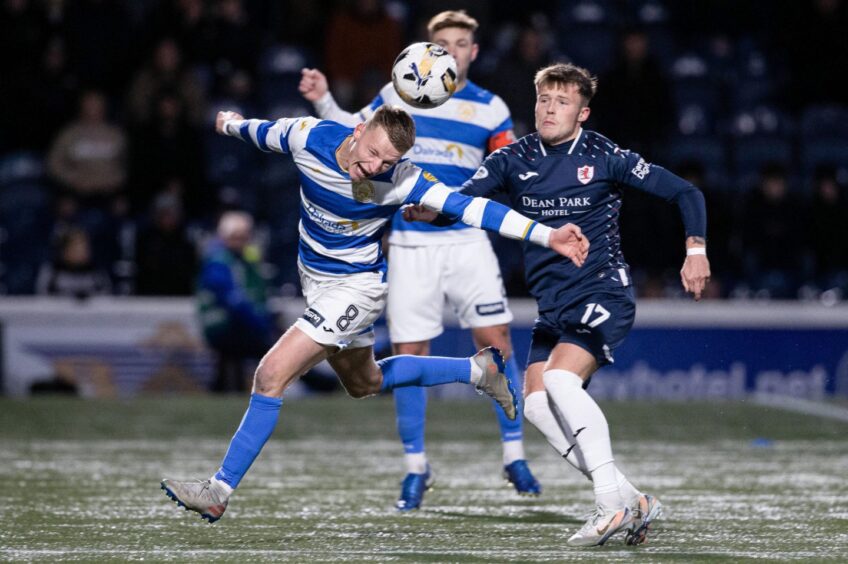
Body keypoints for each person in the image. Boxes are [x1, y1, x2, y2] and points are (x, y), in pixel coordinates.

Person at [160, 104, 590, 523]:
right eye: (372, 153)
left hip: (357, 288)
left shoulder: (403, 180)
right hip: (317, 284)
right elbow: (263, 131)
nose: (375, 167)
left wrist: (548, 235)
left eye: (388, 161)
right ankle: (477, 372)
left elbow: (478, 210)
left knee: (271, 374)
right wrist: (232, 124)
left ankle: (218, 490)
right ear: (358, 130)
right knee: (365, 382)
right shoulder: (309, 136)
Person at [409, 63, 710, 546]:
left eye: (562, 102)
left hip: (603, 293)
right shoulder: (513, 157)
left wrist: (695, 250)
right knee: (535, 406)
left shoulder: (604, 155)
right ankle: (634, 500)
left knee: (559, 380)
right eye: (544, 100)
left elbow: (684, 191)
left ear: (583, 112)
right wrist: (433, 212)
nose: (550, 109)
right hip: (554, 308)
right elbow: (467, 203)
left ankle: (609, 506)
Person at [298, 10, 541, 511]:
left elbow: (505, 172)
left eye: (461, 43)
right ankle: (415, 467)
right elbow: (353, 135)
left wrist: (458, 204)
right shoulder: (396, 95)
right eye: (443, 43)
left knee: (495, 341)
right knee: (412, 348)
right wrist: (323, 98)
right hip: (407, 242)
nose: (452, 50)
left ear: (473, 51)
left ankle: (514, 455)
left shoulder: (490, 108)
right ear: (427, 51)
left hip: (466, 240)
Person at [198, 211, 274, 393]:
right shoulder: (219, 262)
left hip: (237, 324)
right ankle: (321, 383)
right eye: (235, 237)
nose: (240, 242)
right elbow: (233, 301)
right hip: (223, 325)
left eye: (243, 237)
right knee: (268, 348)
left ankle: (223, 389)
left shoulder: (244, 261)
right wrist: (261, 323)